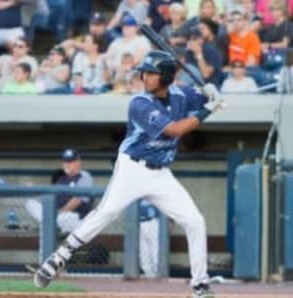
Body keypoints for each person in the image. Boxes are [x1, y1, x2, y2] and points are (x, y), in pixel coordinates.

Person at [33, 50, 226, 298]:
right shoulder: (140, 103)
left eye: (151, 73)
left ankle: (200, 285)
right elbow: (175, 130)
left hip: (161, 174)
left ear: (166, 78)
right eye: (144, 72)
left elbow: (199, 96)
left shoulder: (180, 94)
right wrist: (209, 109)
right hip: (132, 169)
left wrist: (209, 92)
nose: (144, 76)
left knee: (195, 221)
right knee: (108, 211)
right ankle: (60, 257)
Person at [25, 149, 94, 262]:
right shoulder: (61, 178)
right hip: (57, 217)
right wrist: (36, 188)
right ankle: (49, 221)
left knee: (50, 222)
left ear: (78, 162)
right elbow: (50, 197)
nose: (67, 164)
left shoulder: (84, 176)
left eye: (71, 161)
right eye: (65, 161)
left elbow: (76, 201)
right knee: (30, 203)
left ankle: (45, 262)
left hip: (77, 218)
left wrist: (56, 213)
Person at [139, 199, 160, 278]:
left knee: (156, 253)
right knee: (144, 255)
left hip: (153, 221)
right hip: (139, 223)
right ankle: (150, 278)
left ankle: (159, 278)